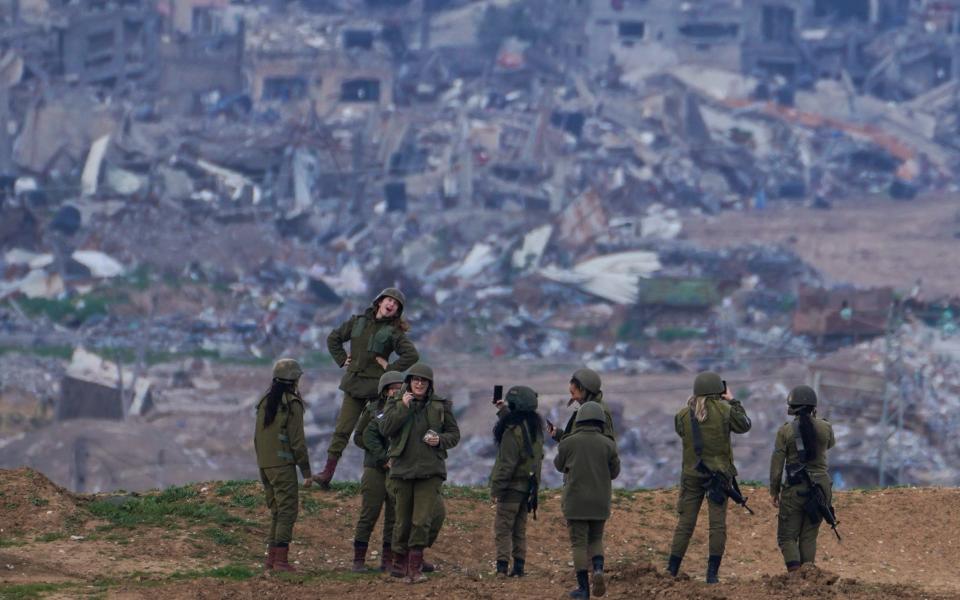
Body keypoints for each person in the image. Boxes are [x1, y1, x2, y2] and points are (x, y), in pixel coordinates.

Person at [319, 287, 419, 488]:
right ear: (380, 301)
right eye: (389, 300)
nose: (391, 305)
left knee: (376, 432)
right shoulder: (358, 322)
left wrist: (390, 369)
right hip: (354, 385)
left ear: (397, 311)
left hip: (377, 390)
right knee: (342, 431)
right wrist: (341, 359)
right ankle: (327, 474)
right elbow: (333, 338)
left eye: (396, 304)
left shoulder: (394, 332)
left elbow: (412, 355)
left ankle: (384, 474)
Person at [667, 371, 751, 584]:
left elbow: (681, 432)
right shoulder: (725, 410)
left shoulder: (683, 415)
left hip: (692, 475)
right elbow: (745, 425)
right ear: (718, 390)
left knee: (685, 523)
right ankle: (712, 575)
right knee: (717, 525)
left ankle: (671, 569)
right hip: (719, 477)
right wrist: (733, 401)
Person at [379, 363, 460, 583]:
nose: (419, 383)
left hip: (430, 471)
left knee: (421, 520)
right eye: (415, 380)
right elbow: (385, 429)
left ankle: (414, 567)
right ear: (409, 382)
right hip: (402, 470)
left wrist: (439, 440)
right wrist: (402, 408)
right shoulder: (396, 402)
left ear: (430, 384)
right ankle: (399, 562)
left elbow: (454, 434)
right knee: (402, 521)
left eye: (423, 381)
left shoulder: (440, 405)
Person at [554, 401, 620, 599]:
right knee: (596, 539)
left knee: (579, 545)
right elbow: (615, 472)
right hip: (600, 501)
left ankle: (583, 589)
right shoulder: (609, 444)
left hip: (576, 501)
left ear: (580, 419)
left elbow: (558, 465)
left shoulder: (568, 442)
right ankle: (598, 570)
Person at [254, 358, 312, 572]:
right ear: (295, 379)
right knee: (287, 511)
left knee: (277, 511)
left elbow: (257, 437)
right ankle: (280, 561)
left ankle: (271, 560)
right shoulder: (291, 404)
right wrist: (306, 471)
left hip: (265, 465)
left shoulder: (265, 401)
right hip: (282, 465)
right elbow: (297, 441)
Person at [769, 385, 836, 571]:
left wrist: (774, 491)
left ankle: (796, 577)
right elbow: (830, 444)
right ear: (814, 406)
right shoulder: (826, 427)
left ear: (791, 407)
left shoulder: (785, 431)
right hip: (821, 487)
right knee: (809, 536)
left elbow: (777, 465)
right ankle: (809, 578)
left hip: (796, 488)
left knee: (787, 537)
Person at [350, 370, 404, 572]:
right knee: (369, 513)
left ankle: (387, 560)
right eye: (393, 388)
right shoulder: (372, 410)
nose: (396, 392)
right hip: (374, 468)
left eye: (400, 388)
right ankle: (358, 560)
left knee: (394, 516)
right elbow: (359, 437)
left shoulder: (404, 410)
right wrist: (378, 453)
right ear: (384, 390)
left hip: (397, 471)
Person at [489, 386, 544, 578]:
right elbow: (521, 432)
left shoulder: (512, 431)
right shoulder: (535, 428)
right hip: (527, 489)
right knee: (519, 530)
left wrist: (496, 490)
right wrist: (502, 410)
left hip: (511, 489)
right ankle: (519, 568)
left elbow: (506, 465)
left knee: (503, 529)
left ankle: (502, 568)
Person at [548, 368, 615, 443]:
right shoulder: (588, 408)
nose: (573, 398)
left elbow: (599, 447)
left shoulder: (598, 413)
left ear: (585, 391)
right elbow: (579, 441)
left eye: (573, 393)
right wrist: (558, 434)